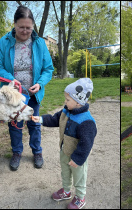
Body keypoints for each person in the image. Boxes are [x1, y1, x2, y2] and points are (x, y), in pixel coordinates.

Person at [0, 5, 54, 171]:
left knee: (34, 123)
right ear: (14, 25)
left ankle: (37, 152)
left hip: (33, 94)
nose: (25, 31)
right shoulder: (4, 42)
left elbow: (48, 69)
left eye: (28, 27)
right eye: (21, 27)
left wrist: (40, 83)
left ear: (33, 26)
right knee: (15, 124)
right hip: (13, 94)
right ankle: (17, 152)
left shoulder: (39, 43)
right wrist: (12, 80)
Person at [32, 78, 97, 209]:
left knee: (79, 177)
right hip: (65, 151)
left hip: (78, 157)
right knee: (65, 172)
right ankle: (66, 191)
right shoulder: (66, 111)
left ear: (79, 102)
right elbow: (55, 119)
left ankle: (80, 197)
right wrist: (40, 119)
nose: (65, 102)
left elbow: (86, 143)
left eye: (68, 100)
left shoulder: (86, 121)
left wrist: (78, 159)